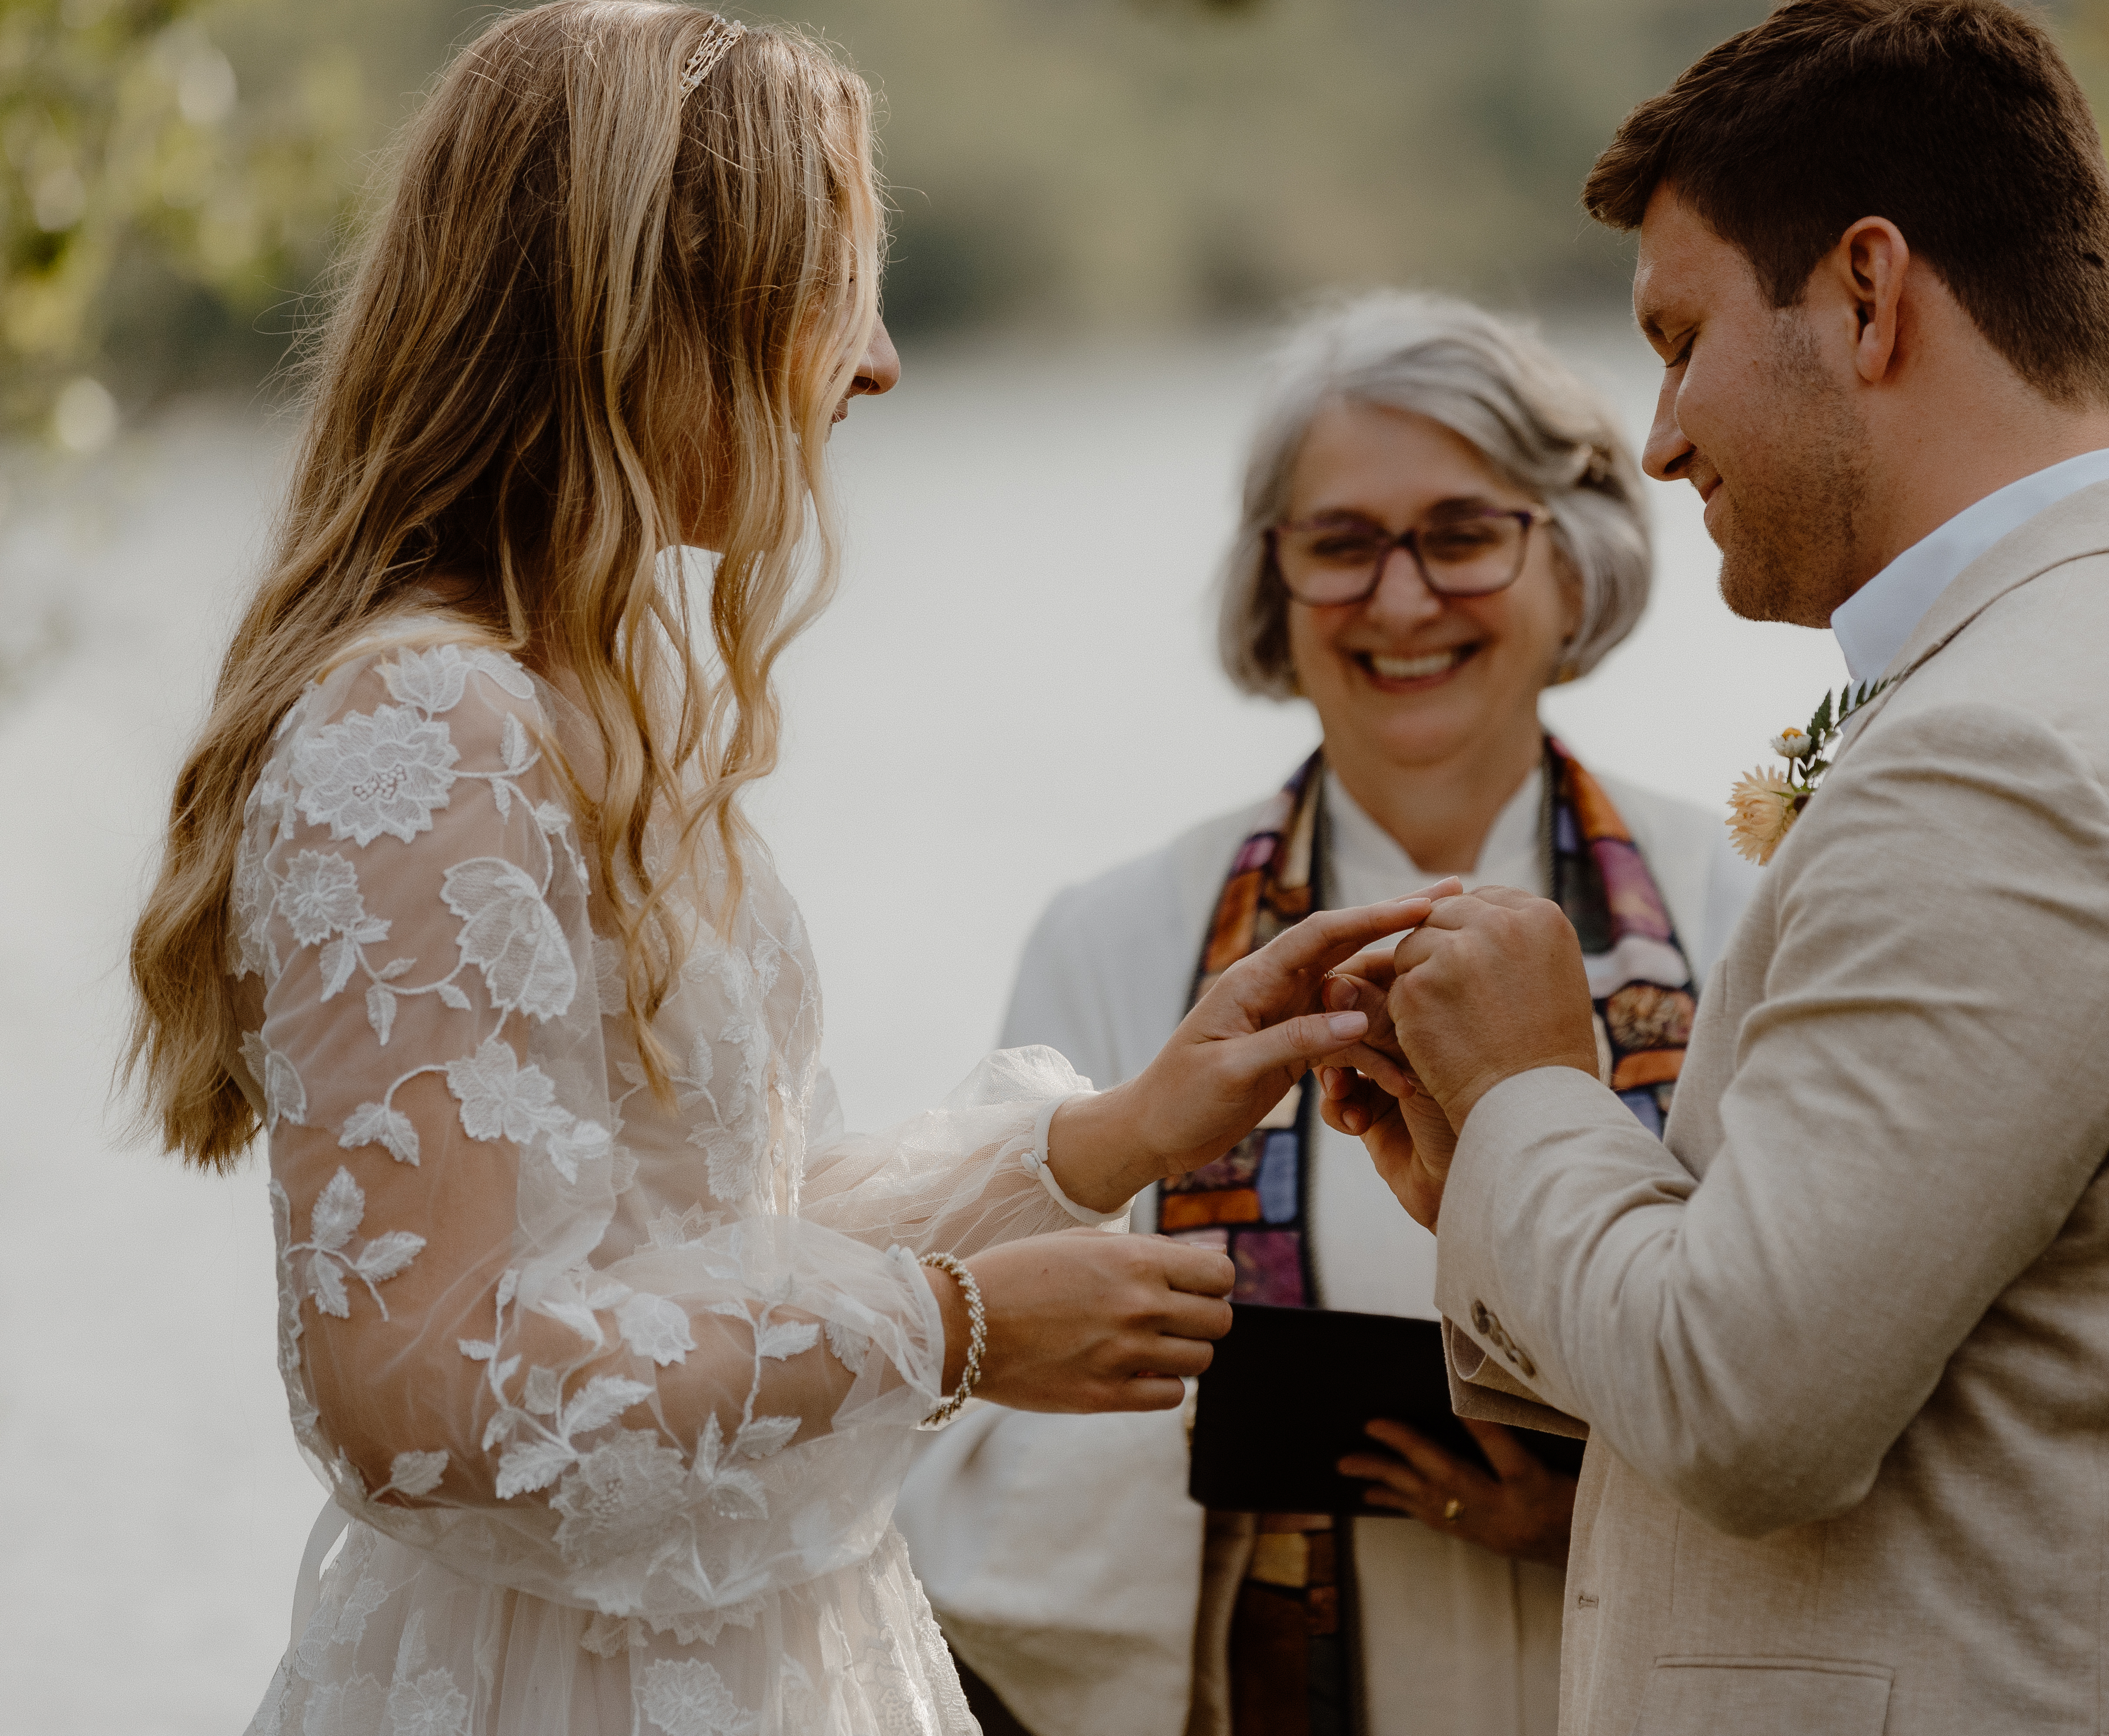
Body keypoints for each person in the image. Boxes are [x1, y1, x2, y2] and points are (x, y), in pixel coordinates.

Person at [120, 9, 1439, 1733]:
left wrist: (1121, 1135)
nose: (877, 362)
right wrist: (954, 1327)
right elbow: (420, 1390)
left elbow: (718, 1248)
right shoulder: (427, 715)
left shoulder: (597, 700)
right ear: (651, 305)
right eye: (833, 282)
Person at [1319, 3, 2109, 1733]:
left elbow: (1744, 1410)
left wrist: (1538, 1090)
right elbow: (1882, 1330)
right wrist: (1490, 1172)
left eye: (1681, 340)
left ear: (1866, 293)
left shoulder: (2013, 758)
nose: (1663, 435)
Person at [894, 292, 1757, 1736]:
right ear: (1274, 591)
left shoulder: (1736, 912)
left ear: (1576, 563)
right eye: (1341, 545)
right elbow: (965, 1399)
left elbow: (1806, 1350)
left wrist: (1585, 1503)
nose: (1402, 600)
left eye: (1464, 534)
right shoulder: (1122, 938)